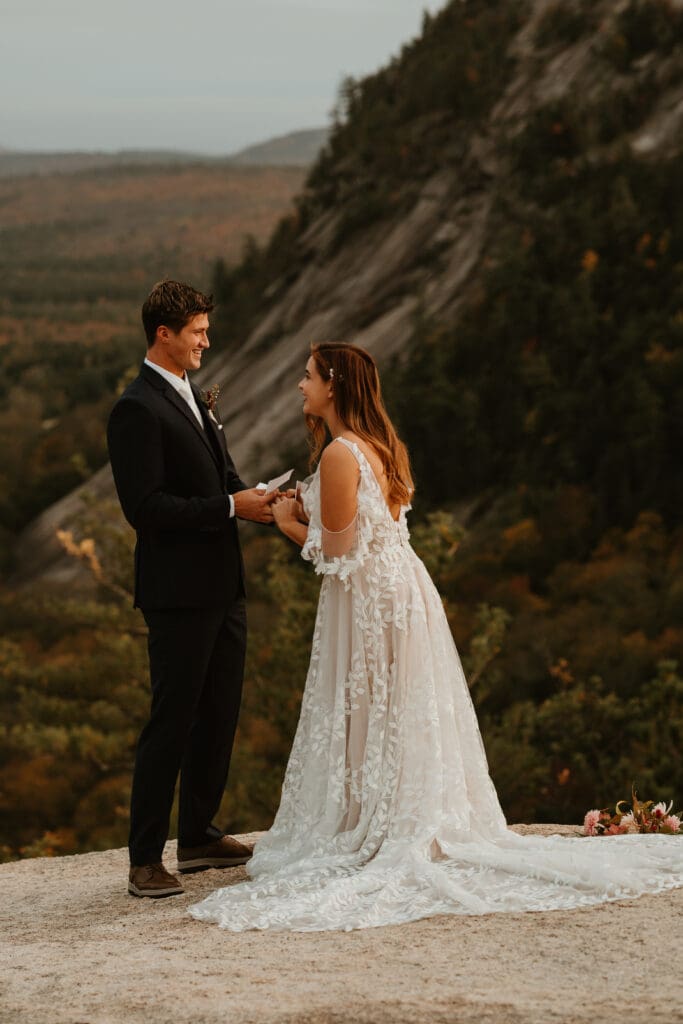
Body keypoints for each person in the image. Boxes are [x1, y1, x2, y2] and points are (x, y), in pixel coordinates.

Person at [189, 342, 683, 931]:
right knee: (390, 710)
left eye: (308, 376)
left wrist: (287, 520)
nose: (300, 386)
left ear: (335, 388)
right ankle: (385, 812)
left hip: (370, 597)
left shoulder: (343, 454)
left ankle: (373, 824)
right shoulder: (377, 445)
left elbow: (339, 552)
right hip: (396, 590)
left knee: (374, 707)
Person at [107, 280, 278, 899]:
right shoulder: (136, 408)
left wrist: (257, 498)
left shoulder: (189, 395)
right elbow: (145, 508)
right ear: (164, 334)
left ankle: (200, 835)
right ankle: (145, 858)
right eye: (198, 331)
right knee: (172, 720)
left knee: (219, 714)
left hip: (223, 585)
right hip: (177, 593)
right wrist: (229, 507)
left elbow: (221, 478)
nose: (207, 339)